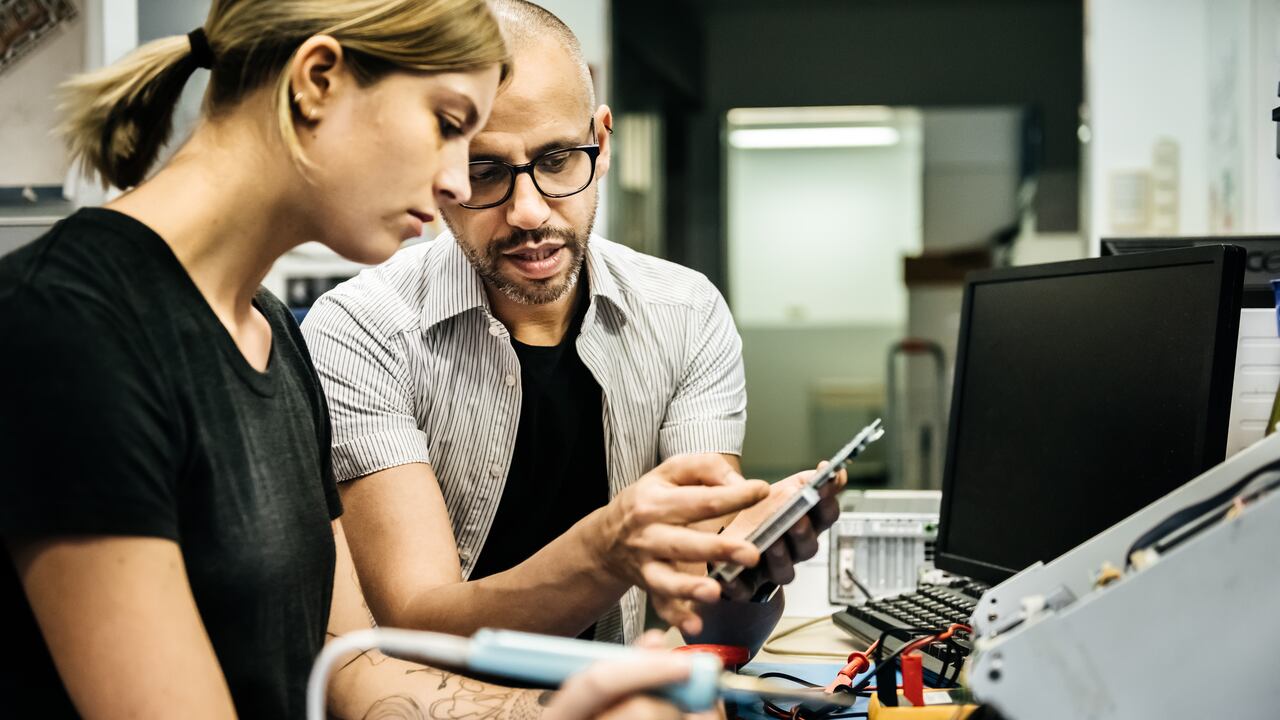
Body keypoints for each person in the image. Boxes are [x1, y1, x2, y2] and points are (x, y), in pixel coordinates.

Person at [0, 1, 764, 717]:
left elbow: (350, 665)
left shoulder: (268, 331)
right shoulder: (69, 327)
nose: (456, 182)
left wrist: (565, 710)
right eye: (448, 125)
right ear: (317, 83)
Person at [301, 0, 843, 650]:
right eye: (484, 171)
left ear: (602, 142)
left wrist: (748, 569)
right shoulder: (360, 330)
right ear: (440, 170)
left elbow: (696, 586)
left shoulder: (686, 315)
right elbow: (415, 624)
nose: (529, 212)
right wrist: (607, 550)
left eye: (558, 159)